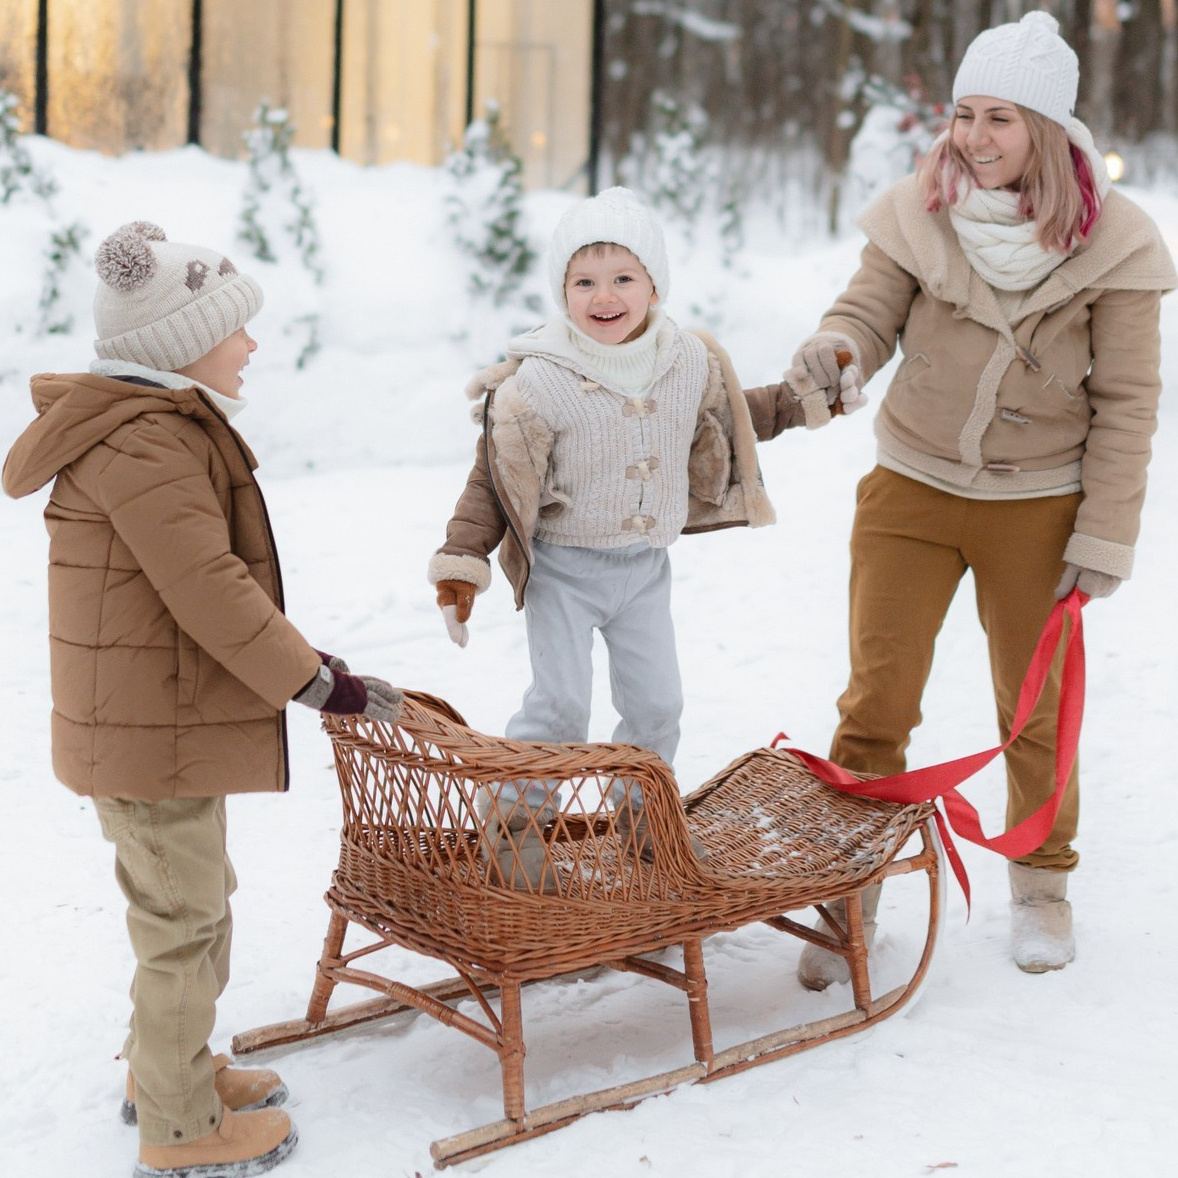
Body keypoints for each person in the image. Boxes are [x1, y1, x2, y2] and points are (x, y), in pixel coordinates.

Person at [2, 221, 401, 1178]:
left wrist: (304, 659)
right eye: (236, 328)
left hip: (156, 725)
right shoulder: (147, 442)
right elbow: (211, 588)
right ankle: (179, 1131)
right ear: (181, 344)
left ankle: (169, 1070)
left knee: (198, 905)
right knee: (182, 926)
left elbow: (206, 589)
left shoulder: (152, 428)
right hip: (150, 735)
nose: (252, 344)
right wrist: (314, 680)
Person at [782, 12, 1175, 983]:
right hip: (909, 487)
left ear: (1044, 128)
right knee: (875, 701)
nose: (973, 137)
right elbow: (865, 311)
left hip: (1037, 505)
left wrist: (1103, 532)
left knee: (1032, 709)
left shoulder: (1113, 245)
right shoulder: (919, 210)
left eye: (998, 117)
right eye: (963, 114)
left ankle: (1041, 877)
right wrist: (835, 351)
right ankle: (854, 883)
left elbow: (1127, 403)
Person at [428, 186, 864, 890]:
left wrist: (807, 399)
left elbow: (736, 418)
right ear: (561, 290)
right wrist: (461, 563)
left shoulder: (686, 360)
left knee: (658, 704)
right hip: (564, 570)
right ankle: (513, 829)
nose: (605, 295)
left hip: (643, 570)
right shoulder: (539, 380)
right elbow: (492, 476)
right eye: (584, 280)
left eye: (623, 277)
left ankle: (641, 820)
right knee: (560, 707)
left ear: (654, 284)